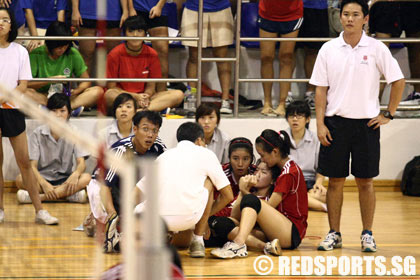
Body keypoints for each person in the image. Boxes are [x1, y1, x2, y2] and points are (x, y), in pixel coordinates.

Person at [309, 0, 405, 252]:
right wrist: (319, 124)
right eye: (345, 14)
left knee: (365, 181)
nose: (349, 18)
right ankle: (334, 233)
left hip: (367, 126)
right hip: (334, 124)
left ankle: (367, 234)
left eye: (355, 14)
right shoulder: (328, 49)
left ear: (366, 19)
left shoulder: (376, 48)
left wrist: (389, 114)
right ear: (339, 17)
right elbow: (321, 89)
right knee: (336, 180)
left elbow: (398, 80)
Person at [134, 122, 233, 258]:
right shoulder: (206, 154)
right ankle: (198, 241)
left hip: (156, 220)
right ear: (199, 140)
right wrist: (205, 217)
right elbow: (228, 195)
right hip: (190, 218)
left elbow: (138, 191)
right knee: (209, 182)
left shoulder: (164, 156)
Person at [0, 7, 58, 224]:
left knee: (24, 161)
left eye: (5, 19)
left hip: (12, 109)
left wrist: (3, 100)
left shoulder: (20, 51)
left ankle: (40, 211)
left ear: (11, 25)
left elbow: (23, 85)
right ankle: (0, 210)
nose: (1, 23)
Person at [211, 130, 308, 258]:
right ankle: (266, 247)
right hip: (275, 229)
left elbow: (267, 206)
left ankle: (239, 243)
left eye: (262, 155)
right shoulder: (285, 169)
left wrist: (245, 191)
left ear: (274, 152)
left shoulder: (288, 172)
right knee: (221, 223)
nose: (262, 160)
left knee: (251, 200)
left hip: (290, 232)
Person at [86, 110, 166, 251]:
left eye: (154, 131)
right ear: (135, 129)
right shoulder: (121, 150)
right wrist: (112, 216)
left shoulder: (158, 147)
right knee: (108, 218)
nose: (150, 135)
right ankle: (98, 219)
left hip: (129, 188)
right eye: (145, 129)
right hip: (101, 186)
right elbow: (105, 186)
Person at [15, 93, 91, 203]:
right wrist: (44, 183)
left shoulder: (75, 133)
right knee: (20, 179)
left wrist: (75, 174)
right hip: (42, 179)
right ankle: (67, 196)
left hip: (65, 180)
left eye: (62, 111)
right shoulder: (37, 133)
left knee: (86, 178)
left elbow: (81, 163)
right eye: (54, 111)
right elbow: (32, 166)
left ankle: (38, 198)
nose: (58, 115)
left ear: (69, 113)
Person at [105, 15, 183, 112]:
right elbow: (112, 87)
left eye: (139, 31)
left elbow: (151, 86)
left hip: (143, 98)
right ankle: (152, 109)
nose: (135, 35)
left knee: (178, 94)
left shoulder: (152, 54)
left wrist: (146, 96)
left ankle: (140, 111)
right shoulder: (114, 54)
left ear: (145, 35)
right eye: (131, 31)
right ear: (124, 34)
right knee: (109, 94)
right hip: (123, 97)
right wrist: (135, 97)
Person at [26, 21, 103, 115]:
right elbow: (26, 84)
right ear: (50, 42)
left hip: (65, 98)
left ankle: (61, 108)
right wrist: (49, 80)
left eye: (65, 46)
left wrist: (75, 91)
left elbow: (86, 81)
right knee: (25, 92)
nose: (62, 49)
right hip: (44, 97)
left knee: (98, 91)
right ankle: (65, 110)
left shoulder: (72, 53)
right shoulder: (36, 53)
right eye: (58, 47)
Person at [181, 0, 234, 114]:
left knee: (222, 57)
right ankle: (191, 97)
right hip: (193, 8)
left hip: (221, 9)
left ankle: (225, 99)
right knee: (194, 57)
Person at [368, 0, 420, 104]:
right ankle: (374, 103)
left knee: (416, 51)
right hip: (384, 5)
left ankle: (418, 95)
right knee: (381, 55)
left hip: (414, 6)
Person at [258, 0, 303, 116]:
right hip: (267, 13)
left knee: (287, 57)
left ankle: (282, 104)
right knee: (266, 57)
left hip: (292, 14)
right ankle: (267, 103)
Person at [285, 101, 327, 212]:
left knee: (324, 195)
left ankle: (301, 201)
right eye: (291, 116)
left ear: (307, 119)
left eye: (299, 116)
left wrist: (318, 184)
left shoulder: (316, 139)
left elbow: (321, 166)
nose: (295, 119)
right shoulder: (281, 137)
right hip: (289, 181)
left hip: (309, 182)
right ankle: (323, 207)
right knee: (286, 194)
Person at [71, 0, 129, 75]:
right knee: (86, 53)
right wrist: (75, 10)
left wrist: (125, 10)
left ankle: (111, 86)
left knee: (113, 55)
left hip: (113, 13)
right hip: (87, 12)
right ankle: (84, 85)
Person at [128, 0, 169, 92]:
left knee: (162, 52)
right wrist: (130, 8)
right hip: (136, 9)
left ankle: (161, 93)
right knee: (133, 51)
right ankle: (133, 93)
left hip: (158, 9)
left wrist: (160, 6)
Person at [295, 0, 329, 108]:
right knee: (289, 51)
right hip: (292, 8)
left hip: (317, 8)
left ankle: (310, 93)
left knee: (313, 51)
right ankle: (287, 94)